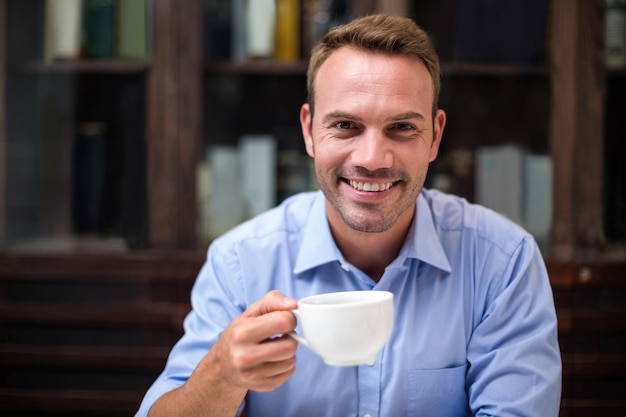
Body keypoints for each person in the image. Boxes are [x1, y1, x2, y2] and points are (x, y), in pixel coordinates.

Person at [136, 13, 561, 417]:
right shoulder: (240, 264)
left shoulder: (503, 263)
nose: (372, 159)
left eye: (402, 127)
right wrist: (223, 376)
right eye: (345, 126)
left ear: (435, 137)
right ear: (309, 130)